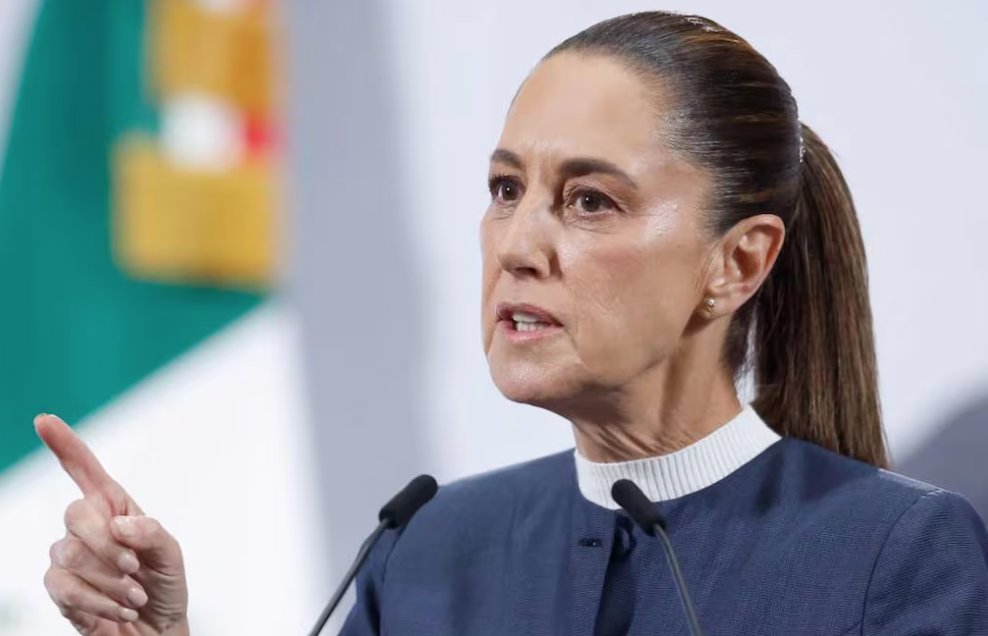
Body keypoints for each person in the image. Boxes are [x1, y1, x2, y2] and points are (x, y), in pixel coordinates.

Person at [37, 11, 988, 636]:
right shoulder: (429, 545)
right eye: (505, 190)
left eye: (590, 201)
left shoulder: (897, 554)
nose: (518, 244)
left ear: (736, 263)